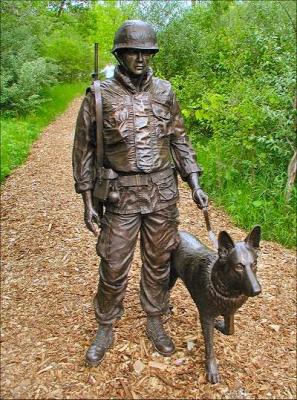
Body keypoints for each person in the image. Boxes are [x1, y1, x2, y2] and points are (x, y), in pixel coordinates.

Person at [72, 20, 208, 367]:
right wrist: (88, 200)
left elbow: (179, 139)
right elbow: (84, 150)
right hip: (120, 196)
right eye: (134, 51)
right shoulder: (99, 96)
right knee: (114, 262)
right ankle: (105, 325)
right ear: (120, 53)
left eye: (147, 52)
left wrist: (194, 181)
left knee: (160, 261)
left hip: (162, 192)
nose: (141, 58)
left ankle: (155, 318)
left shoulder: (165, 92)